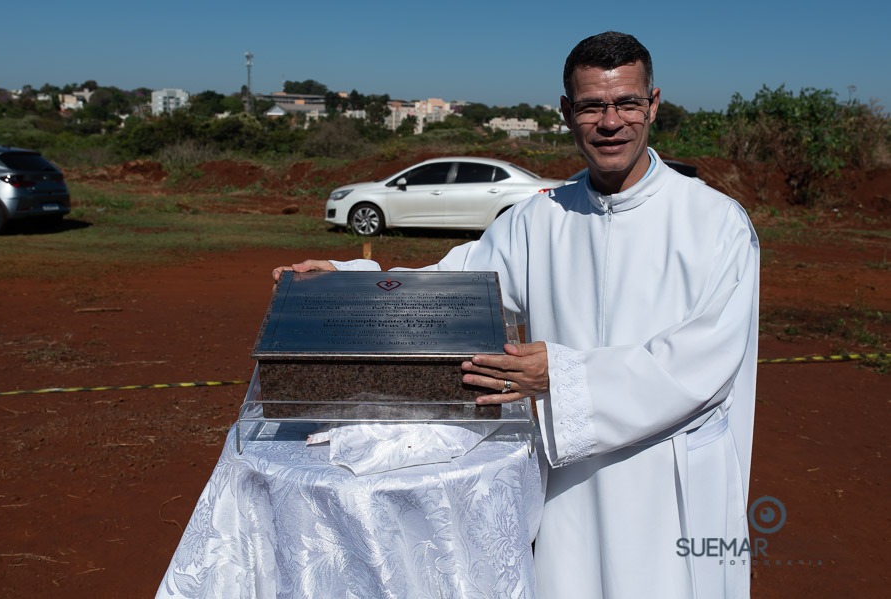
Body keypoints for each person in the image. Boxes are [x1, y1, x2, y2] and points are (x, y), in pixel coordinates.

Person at [275, 31, 759, 598]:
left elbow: (702, 363)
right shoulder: (540, 218)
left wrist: (564, 376)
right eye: (592, 106)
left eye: (627, 102)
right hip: (572, 478)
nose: (611, 122)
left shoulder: (716, 224)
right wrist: (350, 283)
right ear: (565, 111)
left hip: (667, 480)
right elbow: (453, 288)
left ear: (653, 104)